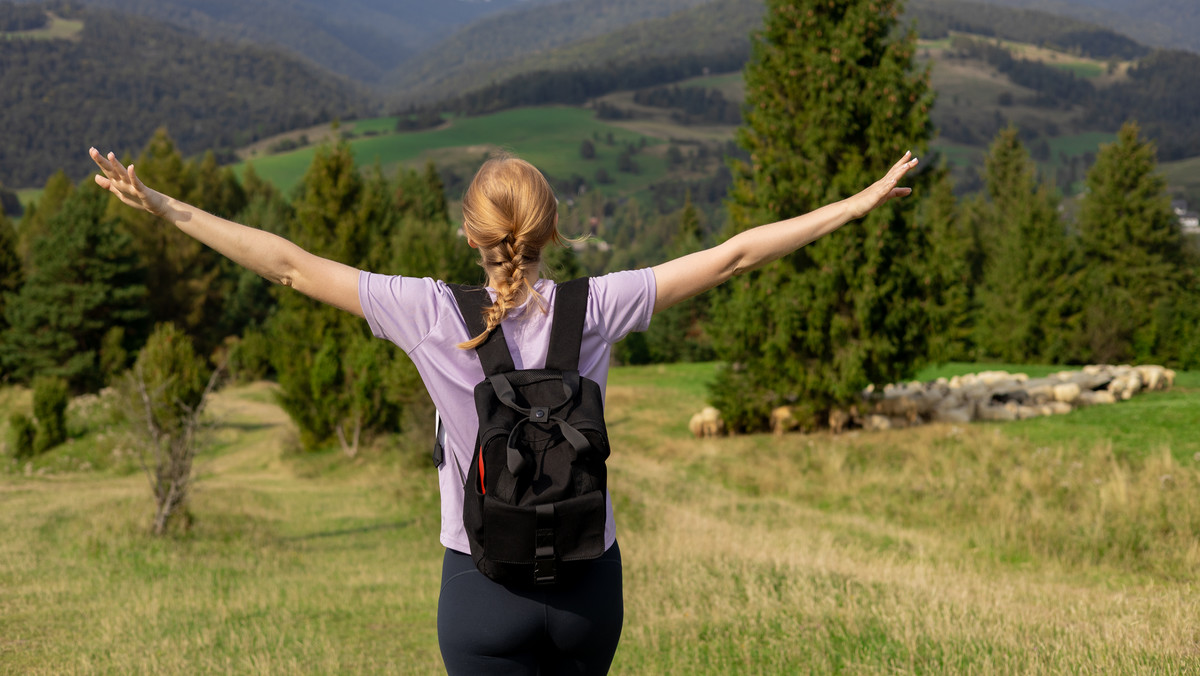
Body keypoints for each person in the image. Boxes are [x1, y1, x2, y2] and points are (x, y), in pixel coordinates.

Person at [89, 146, 918, 674]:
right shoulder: (599, 305)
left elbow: (289, 267)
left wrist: (167, 205)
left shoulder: (426, 311)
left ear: (469, 234)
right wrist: (855, 204)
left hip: (479, 586)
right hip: (589, 592)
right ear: (552, 232)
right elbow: (732, 256)